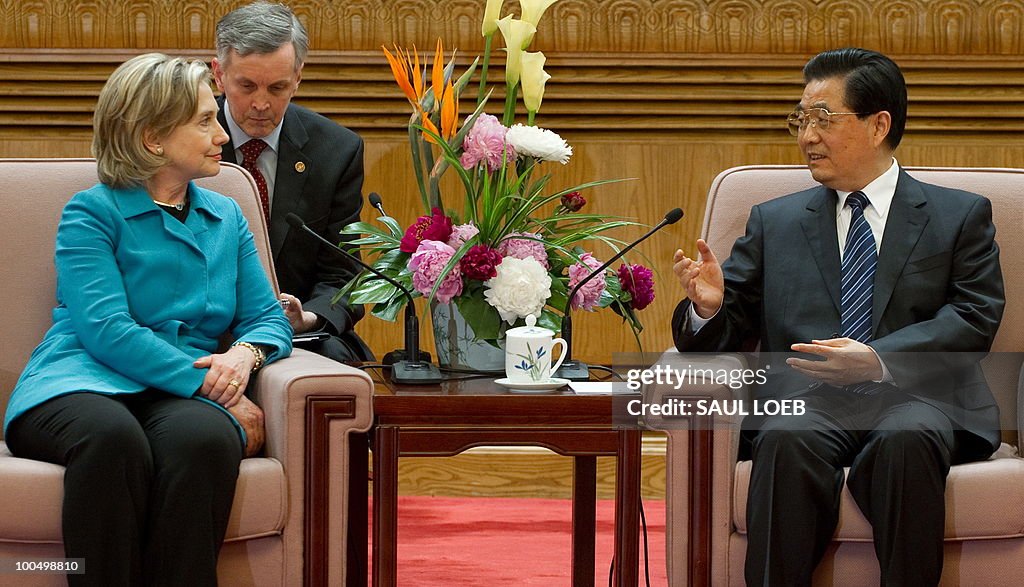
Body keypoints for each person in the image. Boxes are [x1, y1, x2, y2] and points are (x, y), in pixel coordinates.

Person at [671, 47, 1004, 586]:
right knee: (783, 438)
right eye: (800, 119)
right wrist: (709, 309)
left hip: (915, 398)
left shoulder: (957, 215)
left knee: (906, 439)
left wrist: (877, 361)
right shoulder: (774, 223)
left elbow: (974, 317)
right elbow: (726, 328)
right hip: (809, 402)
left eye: (823, 118)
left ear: (878, 125)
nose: (807, 136)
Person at [3, 53, 293, 586]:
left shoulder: (226, 214)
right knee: (113, 440)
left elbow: (266, 319)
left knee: (204, 441)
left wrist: (244, 356)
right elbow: (105, 330)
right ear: (153, 138)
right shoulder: (92, 212)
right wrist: (213, 381)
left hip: (180, 393)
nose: (222, 136)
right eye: (205, 121)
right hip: (79, 380)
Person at [212, 1, 373, 362]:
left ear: (298, 77)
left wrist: (308, 317)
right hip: (198, 327)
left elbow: (344, 274)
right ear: (219, 74)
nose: (261, 103)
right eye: (247, 85)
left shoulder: (336, 150)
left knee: (339, 359)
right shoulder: (183, 139)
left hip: (295, 333)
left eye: (277, 87)